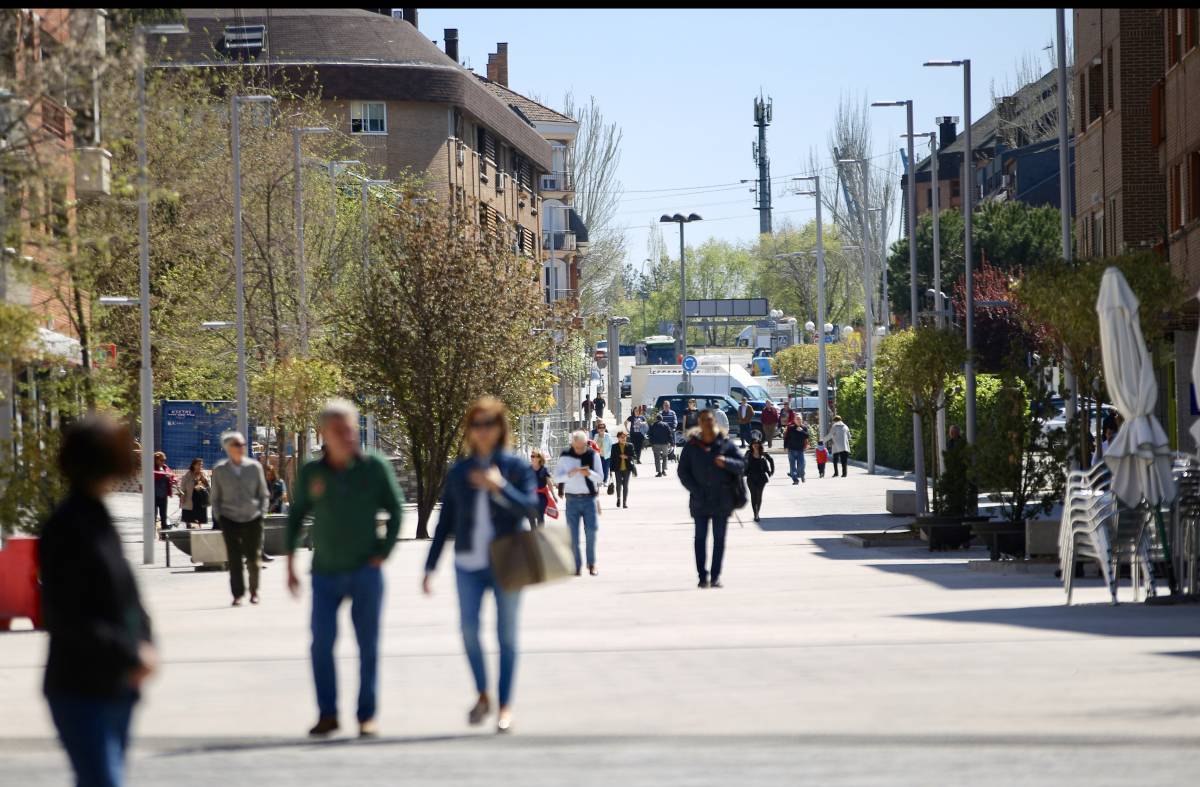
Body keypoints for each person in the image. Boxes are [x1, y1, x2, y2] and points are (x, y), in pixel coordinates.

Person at [40, 415, 156, 787]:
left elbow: (126, 594)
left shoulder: (98, 517)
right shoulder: (66, 526)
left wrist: (146, 642)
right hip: (81, 685)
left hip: (117, 683)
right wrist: (131, 652)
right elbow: (67, 613)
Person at [286, 399, 404, 739]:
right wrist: (290, 565)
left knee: (368, 645)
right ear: (325, 434)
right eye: (340, 430)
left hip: (366, 573)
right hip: (324, 573)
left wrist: (383, 552)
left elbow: (396, 511)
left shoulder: (373, 467)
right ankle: (327, 714)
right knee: (320, 644)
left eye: (352, 428)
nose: (348, 435)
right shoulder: (312, 471)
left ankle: (366, 715)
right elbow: (296, 518)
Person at [423, 396, 538, 735]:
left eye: (489, 424)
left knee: (507, 636)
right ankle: (483, 694)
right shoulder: (460, 471)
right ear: (469, 431)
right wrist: (429, 567)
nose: (483, 431)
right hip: (468, 563)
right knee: (469, 632)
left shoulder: (515, 467)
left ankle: (504, 706)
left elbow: (531, 508)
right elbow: (446, 521)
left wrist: (499, 486)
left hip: (508, 560)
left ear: (500, 428)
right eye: (476, 424)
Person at [677, 409, 745, 588]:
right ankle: (702, 576)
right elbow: (683, 472)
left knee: (719, 539)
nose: (707, 423)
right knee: (700, 538)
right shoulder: (692, 446)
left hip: (722, 500)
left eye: (710, 420)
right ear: (699, 423)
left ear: (714, 421)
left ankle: (715, 576)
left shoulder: (726, 444)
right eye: (704, 420)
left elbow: (742, 465)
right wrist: (695, 489)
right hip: (700, 501)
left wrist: (726, 462)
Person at [210, 432, 269, 606]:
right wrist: (219, 516)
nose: (241, 447)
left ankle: (254, 591)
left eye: (243, 444)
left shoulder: (254, 467)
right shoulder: (220, 470)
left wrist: (261, 513)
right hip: (229, 518)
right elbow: (215, 497)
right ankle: (237, 594)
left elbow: (263, 493)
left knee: (253, 558)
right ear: (228, 448)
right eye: (237, 444)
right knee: (234, 559)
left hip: (253, 518)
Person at [553, 430, 604, 576]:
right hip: (572, 499)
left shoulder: (592, 455)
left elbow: (600, 478)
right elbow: (556, 478)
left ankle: (592, 564)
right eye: (576, 447)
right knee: (573, 535)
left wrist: (589, 474)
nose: (579, 450)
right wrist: (569, 474)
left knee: (591, 532)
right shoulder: (565, 456)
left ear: (586, 444)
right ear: (572, 444)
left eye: (582, 447)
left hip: (589, 499)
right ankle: (576, 566)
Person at [745, 439, 774, 522]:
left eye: (757, 444)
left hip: (761, 478)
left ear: (760, 445)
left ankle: (757, 512)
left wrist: (771, 471)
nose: (755, 446)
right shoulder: (748, 453)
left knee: (759, 496)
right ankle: (755, 514)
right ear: (751, 445)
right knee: (753, 496)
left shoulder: (763, 454)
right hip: (751, 477)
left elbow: (771, 460)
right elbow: (743, 462)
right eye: (754, 444)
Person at [610, 428, 637, 508]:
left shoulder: (630, 446)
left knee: (625, 485)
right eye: (622, 437)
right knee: (618, 484)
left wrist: (627, 457)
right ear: (618, 438)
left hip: (627, 468)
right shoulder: (614, 446)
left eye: (625, 437)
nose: (623, 438)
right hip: (617, 468)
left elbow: (634, 456)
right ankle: (618, 498)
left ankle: (624, 502)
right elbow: (612, 458)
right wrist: (610, 470)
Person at [179, 458, 210, 529]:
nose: (200, 466)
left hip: (200, 498)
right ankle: (188, 526)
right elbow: (183, 486)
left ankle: (199, 527)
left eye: (201, 465)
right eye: (198, 464)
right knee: (189, 515)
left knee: (199, 515)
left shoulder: (204, 473)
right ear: (193, 465)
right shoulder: (188, 474)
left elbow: (208, 485)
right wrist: (182, 495)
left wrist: (204, 479)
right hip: (190, 497)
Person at [530, 449, 557, 526]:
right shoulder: (528, 469)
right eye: (531, 456)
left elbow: (549, 483)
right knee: (531, 517)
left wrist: (554, 495)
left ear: (539, 458)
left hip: (542, 496)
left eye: (533, 456)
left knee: (540, 516)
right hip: (531, 496)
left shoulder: (544, 469)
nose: (532, 458)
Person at [152, 451, 174, 531]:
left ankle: (164, 529)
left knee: (163, 514)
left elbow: (172, 475)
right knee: (153, 514)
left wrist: (173, 479)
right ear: (156, 460)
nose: (163, 462)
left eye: (164, 460)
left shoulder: (165, 467)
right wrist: (164, 474)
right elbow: (155, 475)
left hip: (163, 495)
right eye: (161, 460)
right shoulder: (152, 467)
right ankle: (152, 530)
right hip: (153, 496)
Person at [783, 417, 809, 484]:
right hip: (791, 449)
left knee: (801, 465)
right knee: (792, 466)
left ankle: (801, 475)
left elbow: (807, 436)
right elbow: (787, 438)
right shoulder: (791, 428)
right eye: (797, 419)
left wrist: (802, 431)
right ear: (794, 420)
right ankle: (795, 480)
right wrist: (785, 446)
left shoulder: (804, 428)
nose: (798, 420)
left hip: (800, 450)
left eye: (799, 419)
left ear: (801, 420)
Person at [648, 410, 674, 477]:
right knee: (665, 457)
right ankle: (663, 470)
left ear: (656, 419)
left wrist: (651, 443)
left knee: (657, 458)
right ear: (662, 419)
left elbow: (650, 435)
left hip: (655, 444)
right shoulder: (666, 425)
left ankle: (659, 472)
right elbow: (669, 434)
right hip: (665, 444)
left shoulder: (652, 425)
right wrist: (671, 443)